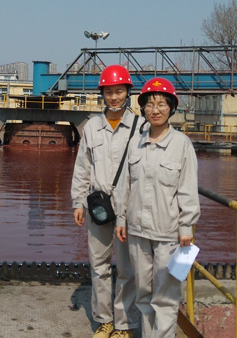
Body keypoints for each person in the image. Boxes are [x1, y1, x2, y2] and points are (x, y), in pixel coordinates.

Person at [115, 77, 200, 338]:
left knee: (165, 296)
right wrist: (121, 218)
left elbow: (187, 188)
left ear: (171, 108)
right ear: (143, 108)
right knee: (143, 293)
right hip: (137, 231)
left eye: (162, 104)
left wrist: (186, 226)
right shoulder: (135, 143)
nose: (155, 110)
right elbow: (125, 185)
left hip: (168, 234)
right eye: (150, 104)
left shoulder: (182, 145)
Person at [71, 64, 143, 338]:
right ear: (102, 94)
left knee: (127, 270)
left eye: (119, 91)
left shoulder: (140, 127)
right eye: (109, 92)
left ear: (127, 92)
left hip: (129, 209)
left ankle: (125, 325)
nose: (114, 97)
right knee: (99, 267)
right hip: (98, 208)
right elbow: (82, 167)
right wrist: (78, 202)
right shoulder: (92, 127)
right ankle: (104, 322)